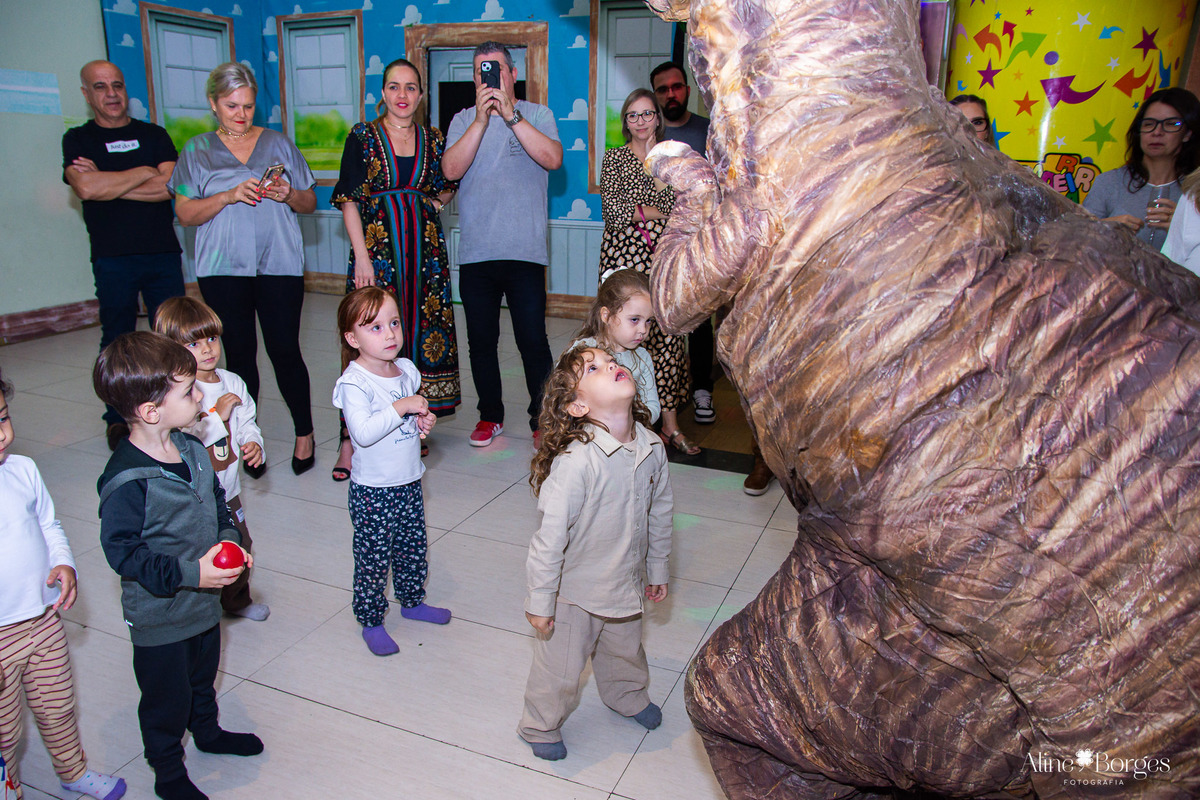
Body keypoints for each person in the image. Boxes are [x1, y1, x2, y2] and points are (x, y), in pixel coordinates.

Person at [93, 332, 263, 800]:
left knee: (202, 679)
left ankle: (207, 732)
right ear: (152, 411)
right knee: (166, 701)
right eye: (189, 392)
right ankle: (168, 773)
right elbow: (124, 554)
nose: (200, 398)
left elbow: (218, 503)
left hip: (203, 605)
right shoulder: (126, 480)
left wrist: (229, 540)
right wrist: (194, 574)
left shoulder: (190, 448)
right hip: (160, 618)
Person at [519, 345, 672, 760]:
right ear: (578, 405)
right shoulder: (576, 463)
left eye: (611, 362)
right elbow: (549, 539)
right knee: (561, 668)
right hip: (575, 593)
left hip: (625, 581)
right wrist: (540, 599)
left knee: (626, 651)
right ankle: (540, 724)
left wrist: (657, 567)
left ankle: (627, 696)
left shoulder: (652, 447)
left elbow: (661, 511)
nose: (611, 366)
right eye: (594, 368)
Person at [168, 62, 319, 476]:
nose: (241, 114)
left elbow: (309, 202)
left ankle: (304, 433)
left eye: (248, 106)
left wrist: (288, 193)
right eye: (232, 106)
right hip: (222, 268)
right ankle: (243, 439)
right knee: (238, 356)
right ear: (213, 104)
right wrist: (228, 195)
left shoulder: (278, 143)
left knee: (285, 350)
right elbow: (185, 213)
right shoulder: (196, 150)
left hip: (279, 263)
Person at [331, 57, 460, 480]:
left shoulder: (434, 139)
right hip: (378, 249)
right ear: (383, 93)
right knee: (369, 334)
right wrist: (362, 256)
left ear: (421, 96)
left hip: (424, 253)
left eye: (410, 87)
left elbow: (449, 183)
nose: (402, 95)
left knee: (418, 332)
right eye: (393, 87)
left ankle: (411, 419)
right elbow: (349, 199)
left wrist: (431, 205)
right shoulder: (362, 136)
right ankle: (350, 437)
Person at [0, 368, 126, 800]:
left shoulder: (22, 470)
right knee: (4, 732)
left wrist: (64, 562)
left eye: (3, 417)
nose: (1, 433)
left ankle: (73, 772)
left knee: (57, 708)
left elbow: (48, 524)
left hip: (42, 621)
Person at [443, 42, 562, 448]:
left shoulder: (538, 115)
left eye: (494, 68)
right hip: (477, 254)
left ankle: (543, 418)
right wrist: (481, 119)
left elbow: (553, 158)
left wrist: (511, 116)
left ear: (512, 74)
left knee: (533, 341)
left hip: (525, 253)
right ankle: (490, 415)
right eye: (481, 71)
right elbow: (451, 169)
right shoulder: (463, 119)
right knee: (481, 342)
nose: (488, 77)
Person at [63, 60, 185, 452]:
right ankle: (118, 419)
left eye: (117, 85)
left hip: (161, 253)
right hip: (112, 256)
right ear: (86, 94)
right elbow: (86, 189)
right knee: (117, 339)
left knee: (173, 335)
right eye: (100, 87)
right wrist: (144, 170)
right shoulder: (78, 139)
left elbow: (169, 186)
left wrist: (108, 181)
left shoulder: (153, 134)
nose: (111, 93)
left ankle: (176, 410)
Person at [332, 287, 449, 657]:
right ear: (353, 338)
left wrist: (422, 419)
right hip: (373, 490)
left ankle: (412, 601)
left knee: (413, 547)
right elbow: (363, 433)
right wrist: (402, 407)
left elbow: (410, 416)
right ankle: (371, 620)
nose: (390, 334)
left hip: (409, 480)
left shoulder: (406, 371)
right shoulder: (354, 383)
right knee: (373, 559)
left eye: (394, 323)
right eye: (376, 327)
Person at [153, 297, 269, 622]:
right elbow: (184, 440)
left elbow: (247, 422)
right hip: (193, 498)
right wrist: (219, 417)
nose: (207, 349)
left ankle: (236, 601)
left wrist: (253, 442)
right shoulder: (176, 393)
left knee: (240, 545)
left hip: (228, 491)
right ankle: (195, 607)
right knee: (198, 552)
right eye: (194, 343)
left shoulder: (233, 382)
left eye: (212, 338)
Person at [599, 88, 699, 456]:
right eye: (633, 115)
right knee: (621, 337)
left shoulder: (674, 159)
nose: (640, 121)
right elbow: (613, 212)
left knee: (667, 339)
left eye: (647, 114)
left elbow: (683, 205)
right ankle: (625, 420)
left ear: (657, 117)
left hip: (665, 258)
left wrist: (654, 174)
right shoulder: (615, 158)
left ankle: (670, 425)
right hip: (623, 258)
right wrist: (657, 211)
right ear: (626, 122)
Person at [650, 61, 717, 426]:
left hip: (702, 241)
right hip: (657, 244)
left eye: (676, 87)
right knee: (657, 322)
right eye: (663, 89)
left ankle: (702, 388)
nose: (671, 94)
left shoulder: (708, 130)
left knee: (700, 318)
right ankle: (660, 397)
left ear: (687, 90)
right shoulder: (650, 132)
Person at [1082, 87, 1200, 248]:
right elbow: (1075, 240)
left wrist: (1187, 229)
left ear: (1188, 134)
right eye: (1149, 124)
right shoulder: (1109, 181)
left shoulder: (1195, 190)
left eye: (1171, 124)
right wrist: (1104, 227)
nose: (1157, 132)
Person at [571, 269, 660, 424]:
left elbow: (652, 406)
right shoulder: (583, 350)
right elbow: (562, 396)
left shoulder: (643, 357)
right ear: (606, 315)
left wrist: (630, 424)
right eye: (634, 319)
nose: (643, 330)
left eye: (648, 321)